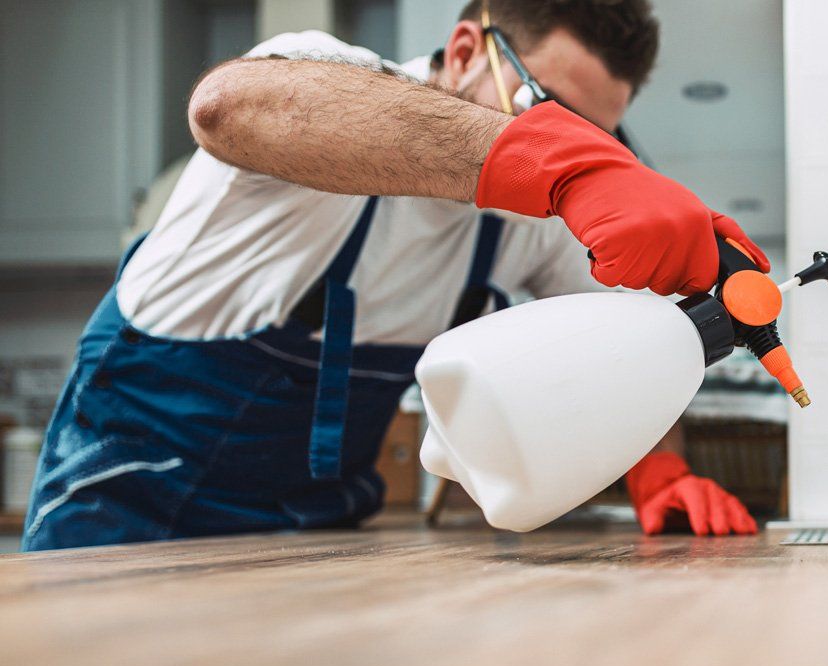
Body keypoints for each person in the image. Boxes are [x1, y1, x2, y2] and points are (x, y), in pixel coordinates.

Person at [22, 0, 768, 551]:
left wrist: (658, 473)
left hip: (315, 541)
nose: (569, 146)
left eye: (596, 137)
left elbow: (625, 334)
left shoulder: (527, 227)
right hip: (122, 528)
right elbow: (225, 108)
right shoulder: (331, 81)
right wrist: (558, 166)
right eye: (551, 112)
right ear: (469, 47)